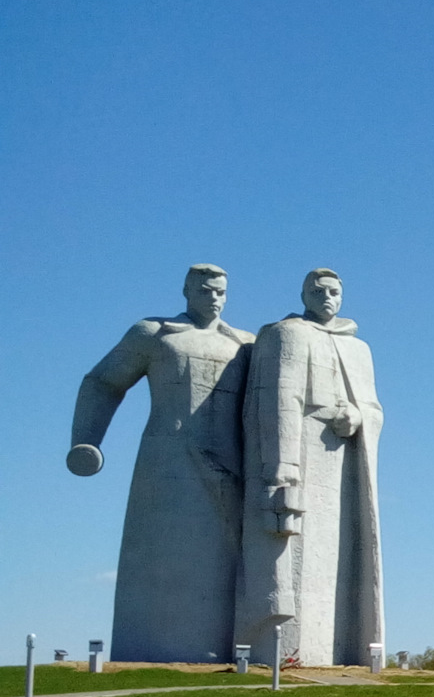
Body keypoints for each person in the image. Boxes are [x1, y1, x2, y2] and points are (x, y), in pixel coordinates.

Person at [68, 264, 253, 662]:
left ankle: (223, 652)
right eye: (204, 290)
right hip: (167, 462)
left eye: (220, 291)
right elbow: (103, 382)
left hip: (231, 467)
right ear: (186, 291)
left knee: (224, 561)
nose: (214, 298)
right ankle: (148, 648)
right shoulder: (154, 333)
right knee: (162, 555)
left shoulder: (246, 345)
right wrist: (86, 441)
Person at [233, 269, 384, 668]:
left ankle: (340, 648)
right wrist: (282, 467)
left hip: (343, 460)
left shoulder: (358, 348)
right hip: (299, 452)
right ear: (304, 295)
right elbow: (277, 400)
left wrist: (358, 416)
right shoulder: (286, 334)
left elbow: (373, 407)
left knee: (339, 557)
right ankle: (280, 651)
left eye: (334, 291)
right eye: (318, 291)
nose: (327, 297)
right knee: (288, 552)